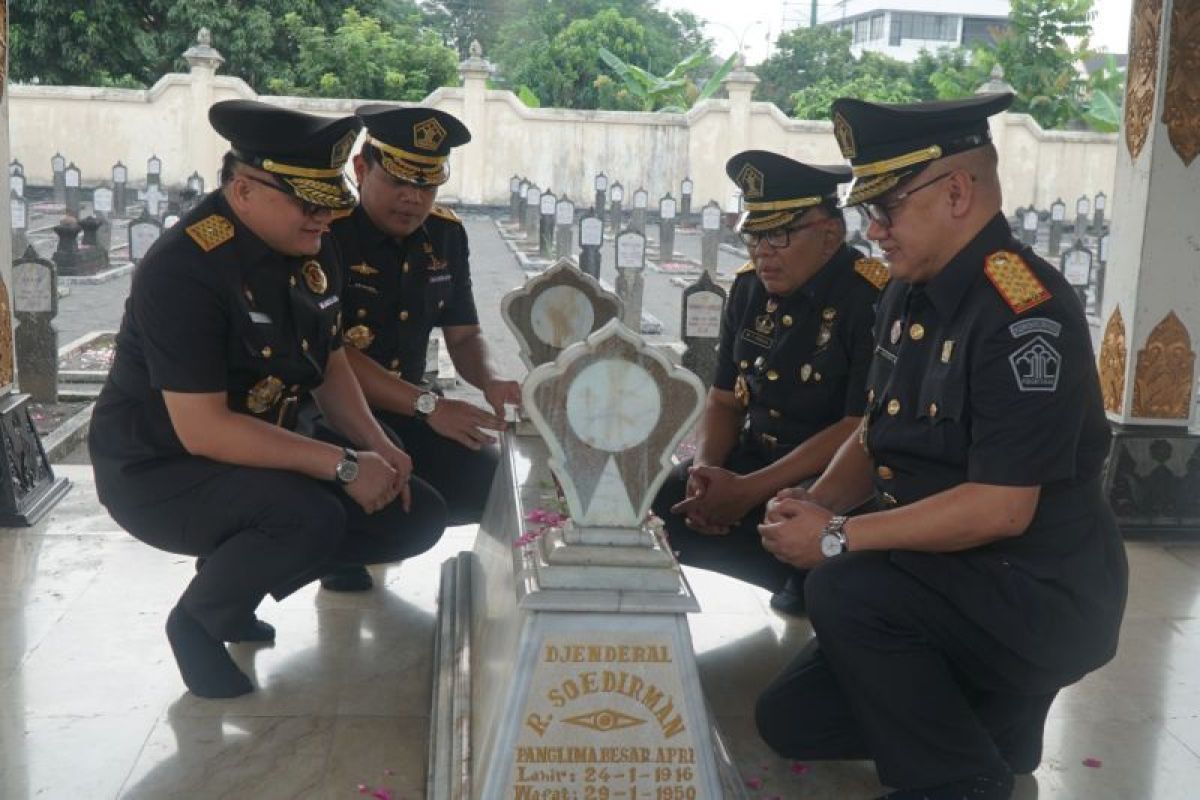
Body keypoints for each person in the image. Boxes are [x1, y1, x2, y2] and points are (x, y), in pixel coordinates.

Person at [753, 93, 1128, 799]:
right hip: (945, 579)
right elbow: (877, 427)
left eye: (886, 208)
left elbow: (1002, 509)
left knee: (841, 584)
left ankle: (960, 779)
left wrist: (835, 536)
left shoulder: (1024, 311)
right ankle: (996, 714)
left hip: (1035, 592)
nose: (875, 229)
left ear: (957, 192)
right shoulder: (909, 291)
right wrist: (815, 500)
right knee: (790, 721)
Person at [88, 100, 448, 698]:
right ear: (243, 188)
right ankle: (199, 620)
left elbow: (329, 359)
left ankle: (235, 581)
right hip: (161, 469)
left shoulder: (311, 241)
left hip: (254, 449)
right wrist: (344, 464)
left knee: (413, 512)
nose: (323, 217)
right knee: (308, 516)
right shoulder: (185, 270)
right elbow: (204, 429)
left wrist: (378, 443)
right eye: (306, 201)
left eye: (329, 201)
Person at [650, 151, 885, 613]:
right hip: (748, 459)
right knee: (657, 507)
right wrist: (706, 474)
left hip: (824, 482)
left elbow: (857, 426)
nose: (762, 253)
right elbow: (723, 399)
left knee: (805, 588)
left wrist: (748, 491)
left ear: (830, 235)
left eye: (778, 234)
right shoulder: (748, 288)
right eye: (755, 236)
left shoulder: (869, 298)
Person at [320, 104, 521, 591]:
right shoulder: (326, 231)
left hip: (407, 409)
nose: (413, 200)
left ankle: (373, 530)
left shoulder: (446, 235)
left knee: (495, 485)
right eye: (399, 183)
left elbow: (465, 334)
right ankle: (334, 549)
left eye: (427, 186)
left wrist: (490, 380)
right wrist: (429, 405)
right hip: (329, 415)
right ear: (361, 168)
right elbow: (331, 356)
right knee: (402, 505)